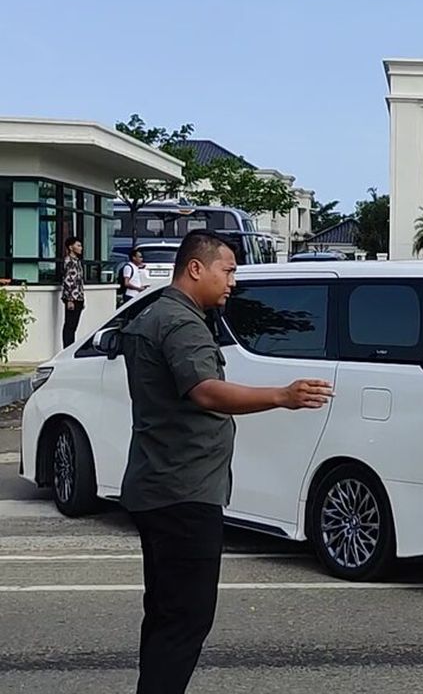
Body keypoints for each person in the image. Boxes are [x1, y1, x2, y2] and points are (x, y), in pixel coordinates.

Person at [118, 229, 333, 693]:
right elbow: (205, 390)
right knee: (186, 618)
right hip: (183, 493)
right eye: (228, 270)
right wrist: (282, 396)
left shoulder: (154, 315)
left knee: (166, 613)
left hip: (158, 486)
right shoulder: (182, 323)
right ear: (196, 268)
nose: (233, 281)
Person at [60, 236, 85, 347]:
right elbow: (68, 280)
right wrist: (70, 299)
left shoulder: (77, 261)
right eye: (78, 245)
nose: (81, 248)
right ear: (71, 247)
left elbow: (79, 281)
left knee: (73, 325)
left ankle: (70, 346)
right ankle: (67, 347)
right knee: (69, 325)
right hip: (72, 297)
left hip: (78, 296)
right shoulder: (69, 261)